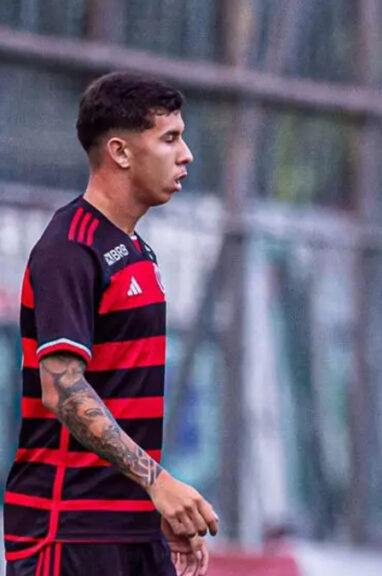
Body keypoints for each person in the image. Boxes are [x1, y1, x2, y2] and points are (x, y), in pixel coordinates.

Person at [4, 72, 218, 576]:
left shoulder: (139, 251)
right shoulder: (70, 247)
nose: (185, 154)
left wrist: (155, 507)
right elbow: (62, 390)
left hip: (132, 531)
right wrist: (158, 482)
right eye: (169, 138)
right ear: (120, 152)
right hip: (69, 531)